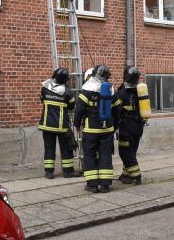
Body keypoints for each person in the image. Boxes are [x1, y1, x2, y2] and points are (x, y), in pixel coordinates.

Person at [73, 64, 120, 193]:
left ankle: (92, 185)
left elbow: (79, 109)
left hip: (91, 130)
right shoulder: (111, 90)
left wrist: (76, 124)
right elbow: (117, 111)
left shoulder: (87, 89)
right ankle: (105, 185)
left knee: (90, 155)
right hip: (107, 129)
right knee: (106, 155)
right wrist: (115, 126)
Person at [38, 67, 81, 179]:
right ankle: (68, 172)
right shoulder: (67, 92)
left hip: (46, 125)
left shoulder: (44, 89)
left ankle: (49, 172)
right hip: (62, 126)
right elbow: (72, 106)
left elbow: (42, 99)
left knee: (49, 148)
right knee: (66, 148)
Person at [117, 66, 145, 185]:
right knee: (131, 150)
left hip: (126, 126)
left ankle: (136, 175)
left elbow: (116, 110)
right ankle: (126, 174)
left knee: (124, 151)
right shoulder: (141, 92)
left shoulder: (122, 92)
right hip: (139, 126)